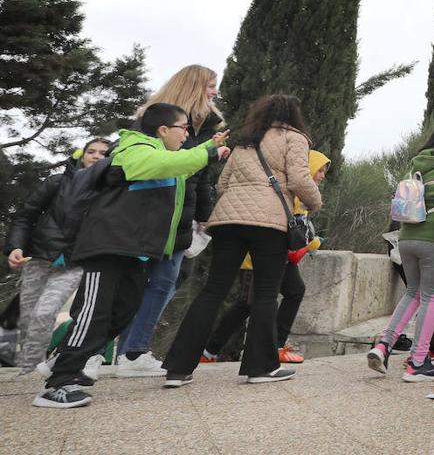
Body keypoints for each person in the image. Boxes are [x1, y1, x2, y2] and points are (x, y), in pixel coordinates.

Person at [33, 105, 228, 408]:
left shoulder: (163, 157)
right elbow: (159, 165)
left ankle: (65, 357)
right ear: (163, 130)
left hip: (134, 251)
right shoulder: (135, 147)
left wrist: (207, 146)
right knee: (93, 314)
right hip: (107, 245)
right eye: (183, 128)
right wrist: (208, 154)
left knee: (123, 312)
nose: (186, 135)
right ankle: (57, 383)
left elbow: (177, 165)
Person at [162, 94, 321, 388]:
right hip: (269, 223)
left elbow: (223, 184)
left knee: (213, 290)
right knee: (265, 293)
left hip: (228, 221)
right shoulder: (294, 138)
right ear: (293, 115)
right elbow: (299, 179)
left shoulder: (245, 140)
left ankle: (178, 368)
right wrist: (315, 203)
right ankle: (260, 367)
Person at [115, 65, 226, 378]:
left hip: (181, 208)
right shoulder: (155, 117)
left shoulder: (209, 122)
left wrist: (203, 214)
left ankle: (132, 351)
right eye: (211, 86)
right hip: (151, 205)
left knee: (164, 281)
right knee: (133, 282)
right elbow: (186, 165)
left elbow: (203, 175)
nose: (215, 92)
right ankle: (108, 352)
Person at [367, 122, 434, 382]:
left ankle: (383, 345)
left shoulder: (416, 166)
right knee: (433, 297)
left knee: (413, 293)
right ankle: (417, 362)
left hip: (407, 239)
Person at [199, 150, 329, 365]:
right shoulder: (295, 194)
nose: (322, 175)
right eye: (320, 169)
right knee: (246, 304)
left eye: (324, 171)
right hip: (259, 256)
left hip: (280, 256)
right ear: (309, 167)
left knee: (294, 291)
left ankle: (276, 346)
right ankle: (209, 351)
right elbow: (289, 232)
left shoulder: (303, 195)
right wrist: (311, 244)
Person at [5, 139, 110, 376]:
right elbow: (25, 215)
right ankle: (28, 366)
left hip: (76, 261)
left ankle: (36, 368)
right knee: (29, 313)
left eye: (103, 153)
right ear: (81, 154)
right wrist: (15, 246)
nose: (95, 156)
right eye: (90, 151)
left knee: (47, 309)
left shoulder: (108, 190)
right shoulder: (56, 181)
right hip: (41, 254)